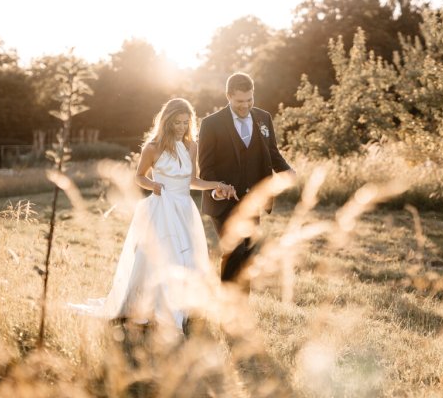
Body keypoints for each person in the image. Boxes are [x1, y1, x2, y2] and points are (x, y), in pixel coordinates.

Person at [70, 98, 234, 333]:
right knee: (163, 256)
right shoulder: (153, 147)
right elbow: (139, 176)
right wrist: (151, 185)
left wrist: (216, 184)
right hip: (161, 207)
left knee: (185, 258)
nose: (181, 127)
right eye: (177, 122)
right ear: (167, 121)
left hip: (184, 209)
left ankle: (181, 307)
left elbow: (192, 181)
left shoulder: (191, 146)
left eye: (186, 123)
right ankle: (152, 308)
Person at [198, 72, 295, 289]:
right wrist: (217, 189)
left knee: (249, 252)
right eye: (240, 101)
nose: (246, 105)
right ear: (228, 96)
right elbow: (206, 167)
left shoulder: (263, 118)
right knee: (235, 250)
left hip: (253, 199)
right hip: (223, 202)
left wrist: (287, 170)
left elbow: (272, 152)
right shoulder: (211, 124)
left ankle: (240, 312)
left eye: (250, 99)